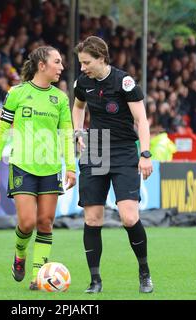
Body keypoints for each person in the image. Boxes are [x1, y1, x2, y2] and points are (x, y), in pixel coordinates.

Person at [0, 46, 77, 290]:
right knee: (26, 223)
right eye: (57, 62)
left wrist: (70, 167)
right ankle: (19, 252)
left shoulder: (61, 98)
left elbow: (67, 135)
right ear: (42, 65)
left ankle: (38, 276)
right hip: (22, 165)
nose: (62, 67)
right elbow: (3, 130)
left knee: (45, 222)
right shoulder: (17, 93)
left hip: (50, 167)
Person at [72, 36, 154, 294]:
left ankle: (144, 272)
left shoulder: (124, 81)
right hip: (96, 148)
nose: (82, 67)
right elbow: (77, 106)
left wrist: (146, 154)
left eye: (86, 62)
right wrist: (77, 131)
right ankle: (95, 281)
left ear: (101, 58)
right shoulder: (82, 83)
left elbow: (141, 120)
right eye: (80, 63)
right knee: (92, 218)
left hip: (123, 151)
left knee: (129, 217)